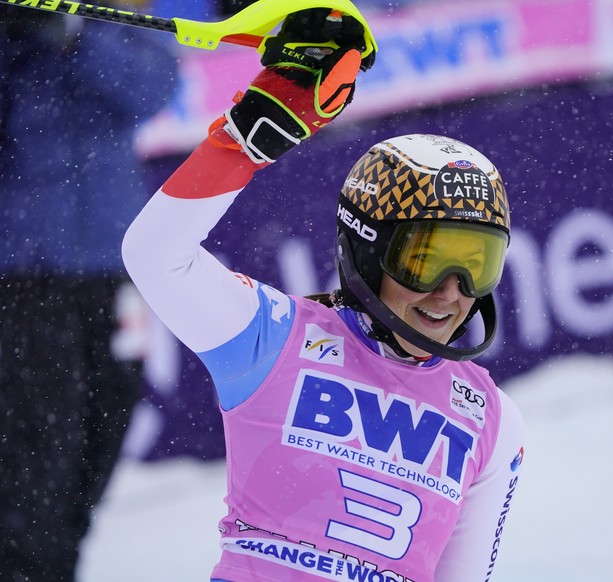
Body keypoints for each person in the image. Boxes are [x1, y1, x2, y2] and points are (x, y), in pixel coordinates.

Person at [122, 8, 524, 581]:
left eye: (477, 265)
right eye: (426, 260)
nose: (451, 293)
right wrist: (251, 131)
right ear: (367, 249)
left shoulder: (493, 419)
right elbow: (156, 257)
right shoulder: (274, 339)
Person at [0, 7, 178, 581]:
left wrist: (77, 33)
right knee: (35, 456)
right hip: (25, 274)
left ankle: (55, 564)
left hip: (112, 264)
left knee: (101, 437)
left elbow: (152, 86)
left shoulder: (113, 12)